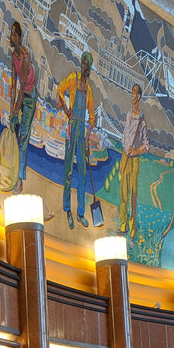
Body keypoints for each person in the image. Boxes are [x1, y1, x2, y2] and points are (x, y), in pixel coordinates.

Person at [57, 51, 96, 229]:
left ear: (90, 68)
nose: (84, 66)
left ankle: (81, 213)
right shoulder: (73, 77)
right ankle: (67, 208)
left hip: (82, 132)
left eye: (87, 64)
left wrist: (88, 138)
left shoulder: (89, 90)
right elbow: (59, 89)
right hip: (72, 127)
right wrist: (66, 110)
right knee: (68, 172)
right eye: (83, 63)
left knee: (82, 174)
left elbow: (93, 117)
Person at [8, 20, 37, 194]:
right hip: (20, 95)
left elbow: (22, 88)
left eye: (12, 34)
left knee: (23, 137)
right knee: (13, 131)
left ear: (18, 37)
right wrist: (11, 109)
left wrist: (16, 109)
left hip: (29, 98)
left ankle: (19, 180)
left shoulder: (25, 58)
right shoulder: (14, 56)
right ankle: (12, 171)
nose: (10, 36)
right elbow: (13, 83)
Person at [118, 84, 148, 237]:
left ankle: (132, 231)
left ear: (139, 97)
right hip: (125, 157)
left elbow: (146, 145)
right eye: (132, 91)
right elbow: (125, 135)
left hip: (134, 160)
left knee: (132, 197)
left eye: (135, 92)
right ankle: (123, 226)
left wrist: (135, 150)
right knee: (123, 194)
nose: (133, 94)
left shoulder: (141, 120)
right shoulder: (128, 112)